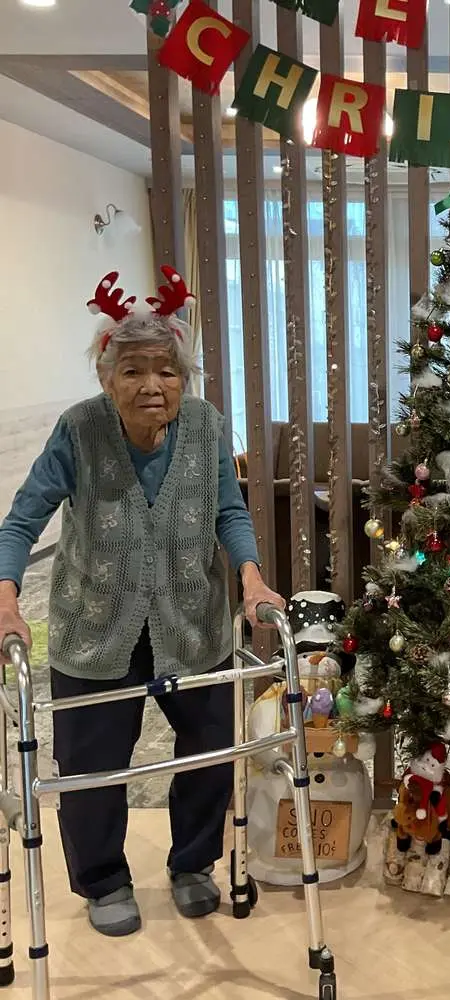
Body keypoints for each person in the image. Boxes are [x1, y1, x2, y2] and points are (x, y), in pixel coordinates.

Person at [0, 267, 285, 937]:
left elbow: (228, 511)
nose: (152, 384)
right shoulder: (79, 431)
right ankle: (103, 880)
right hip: (96, 628)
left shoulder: (207, 426)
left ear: (184, 377)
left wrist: (251, 579)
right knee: (92, 767)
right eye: (133, 370)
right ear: (107, 377)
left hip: (193, 624)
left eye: (167, 370)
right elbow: (21, 521)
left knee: (208, 752)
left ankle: (193, 863)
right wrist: (7, 600)